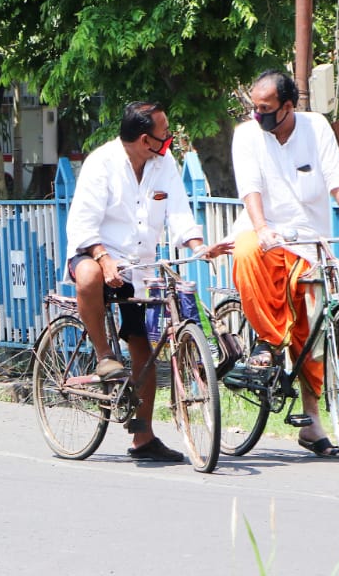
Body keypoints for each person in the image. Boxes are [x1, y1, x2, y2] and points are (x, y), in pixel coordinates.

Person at [65, 101, 231, 462]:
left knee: (145, 347)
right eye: (164, 134)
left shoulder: (163, 163)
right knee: (91, 274)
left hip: (140, 267)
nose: (169, 139)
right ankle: (103, 354)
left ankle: (143, 436)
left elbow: (179, 211)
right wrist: (103, 258)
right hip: (95, 253)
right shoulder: (101, 164)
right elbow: (83, 225)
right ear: (145, 140)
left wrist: (199, 245)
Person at [230, 69, 339, 458]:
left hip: (309, 241)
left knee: (312, 328)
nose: (257, 114)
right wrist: (260, 228)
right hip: (264, 233)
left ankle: (312, 423)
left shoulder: (316, 127)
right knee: (246, 254)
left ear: (288, 106)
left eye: (265, 108)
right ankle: (266, 345)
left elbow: (336, 178)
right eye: (254, 107)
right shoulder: (247, 135)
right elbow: (250, 188)